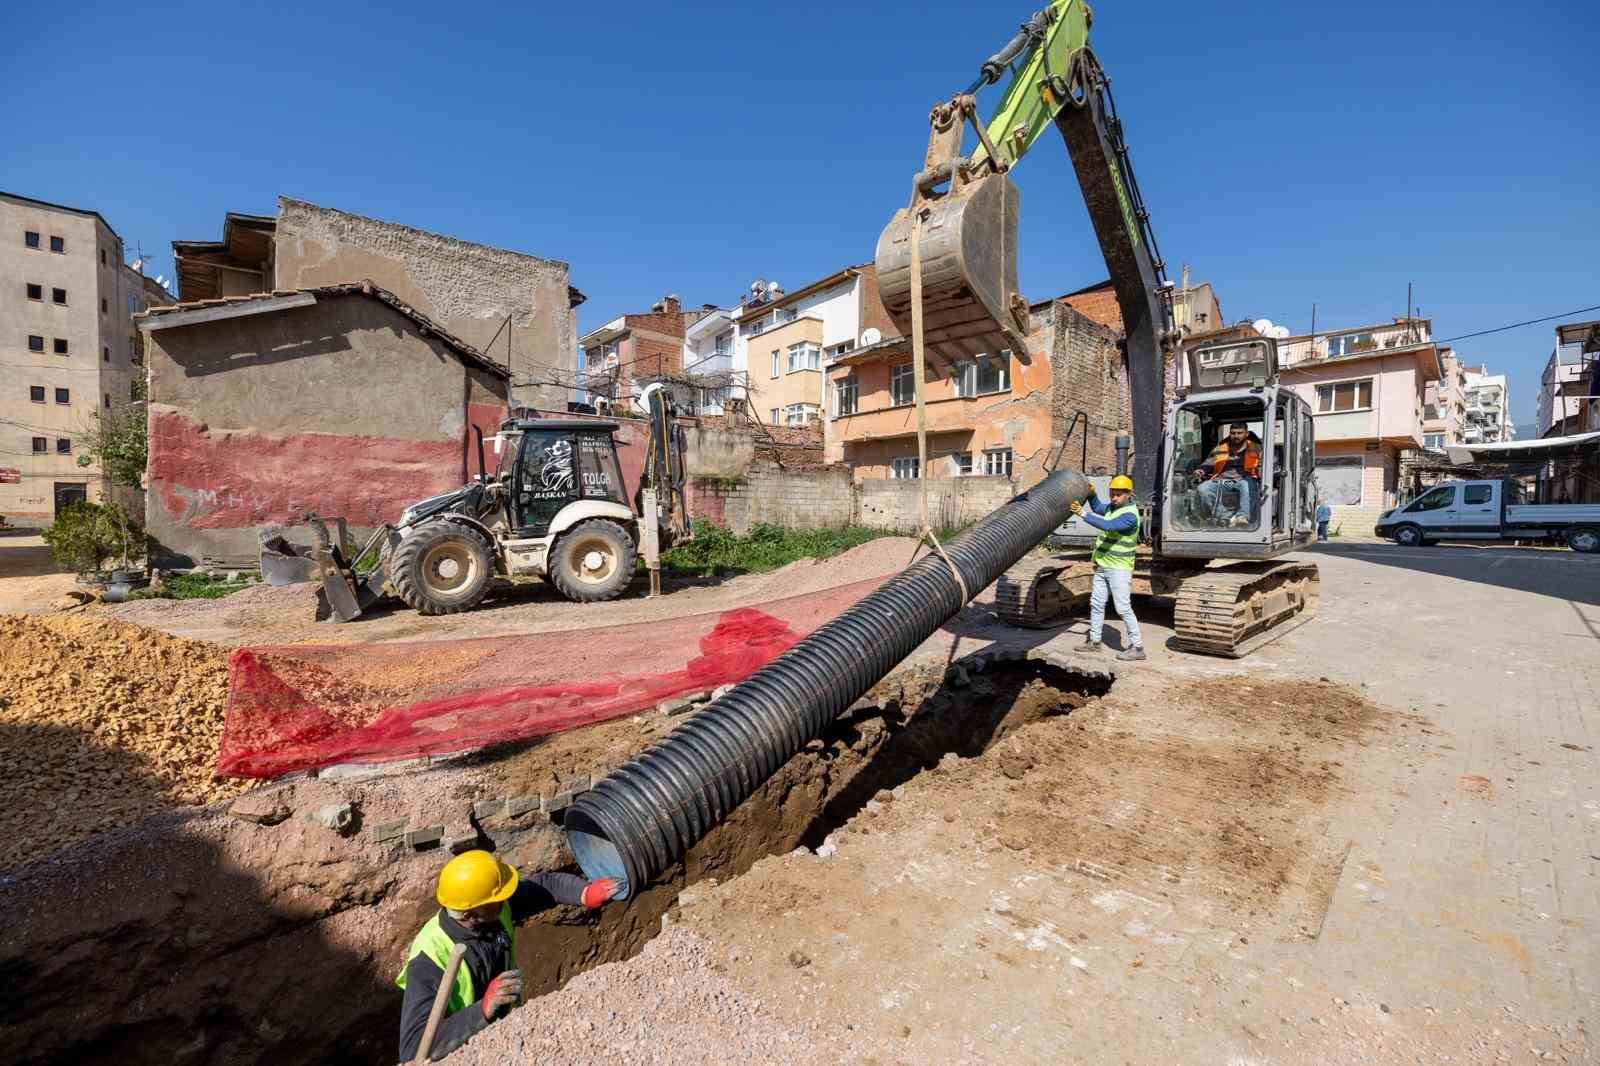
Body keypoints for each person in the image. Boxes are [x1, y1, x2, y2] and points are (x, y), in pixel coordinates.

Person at [397, 850, 621, 1061]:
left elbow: (545, 886)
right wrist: (482, 1009)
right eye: (497, 899)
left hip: (509, 1029)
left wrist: (584, 892)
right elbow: (413, 1049)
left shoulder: (492, 908)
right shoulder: (430, 958)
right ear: (470, 912)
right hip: (469, 1050)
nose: (505, 899)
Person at [1071, 474, 1146, 661]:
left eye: (1118, 495)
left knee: (1122, 608)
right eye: (1112, 494)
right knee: (1096, 604)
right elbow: (1098, 507)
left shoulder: (1130, 515)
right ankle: (1095, 642)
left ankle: (1137, 647)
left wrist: (1083, 514)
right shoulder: (1113, 507)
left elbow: (1109, 525)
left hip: (1119, 568)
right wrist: (1091, 495)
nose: (1114, 498)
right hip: (1103, 565)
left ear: (1129, 494)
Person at [1192, 422, 1262, 526]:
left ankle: (1242, 517)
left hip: (1244, 479)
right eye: (1233, 433)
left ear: (1246, 434)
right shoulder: (1221, 449)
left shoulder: (1256, 448)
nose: (1236, 436)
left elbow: (1264, 464)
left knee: (1246, 485)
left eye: (1239, 433)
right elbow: (1208, 463)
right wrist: (1201, 470)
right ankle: (1224, 517)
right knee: (1202, 488)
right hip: (1221, 480)